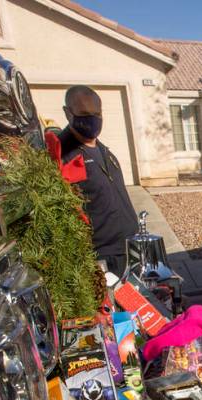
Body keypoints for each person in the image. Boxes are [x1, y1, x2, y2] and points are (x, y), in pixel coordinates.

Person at [59, 85, 140, 277]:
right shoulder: (64, 156)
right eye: (85, 113)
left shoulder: (105, 151)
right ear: (68, 113)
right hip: (101, 258)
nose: (92, 119)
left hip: (128, 250)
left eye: (96, 113)